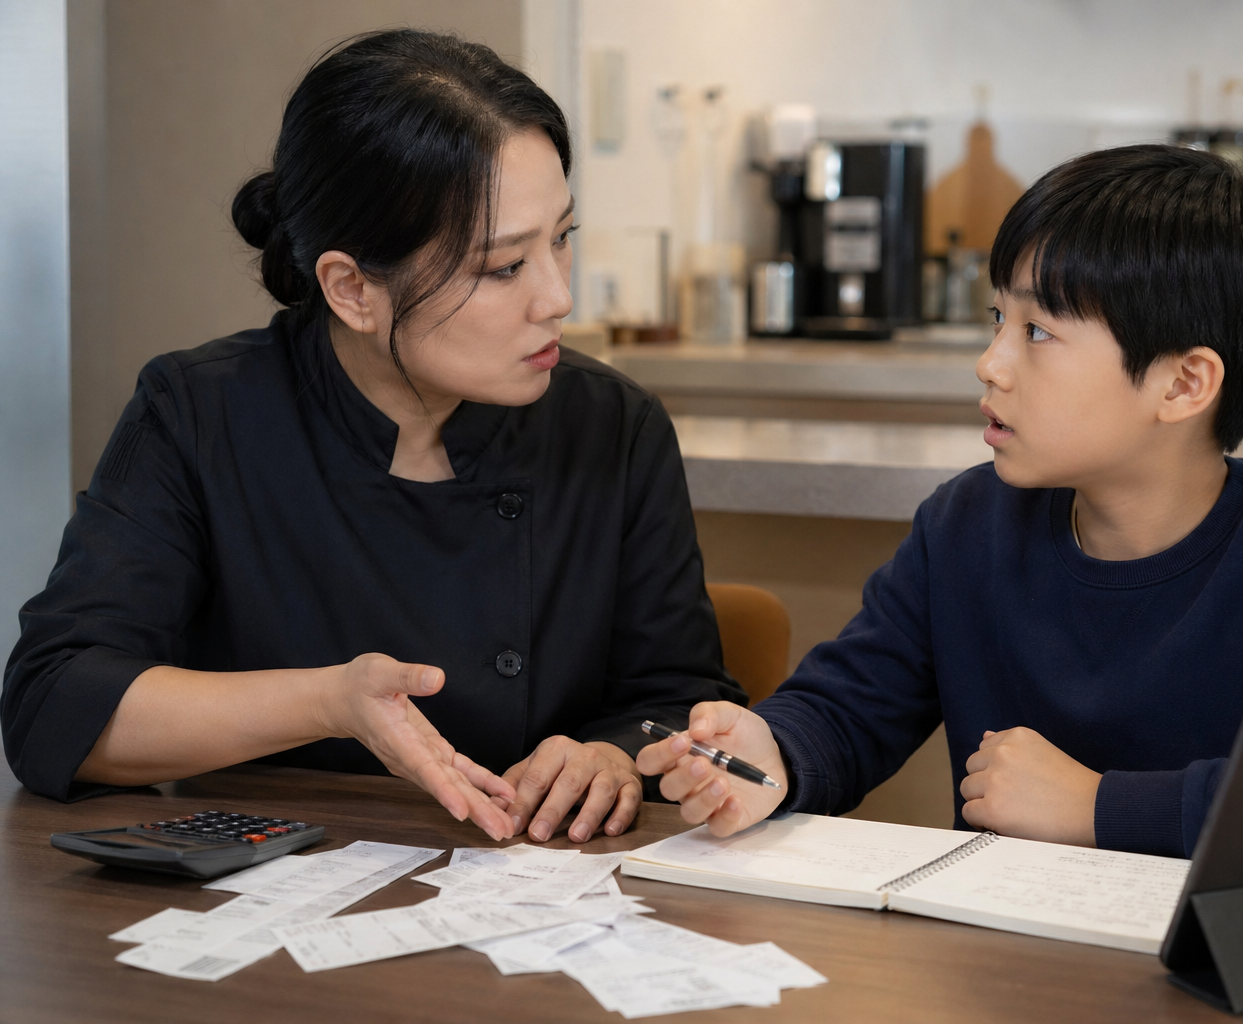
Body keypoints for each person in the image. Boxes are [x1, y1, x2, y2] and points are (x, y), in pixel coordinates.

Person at [638, 145, 1243, 892]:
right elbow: (848, 712)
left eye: (1039, 333)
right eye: (996, 319)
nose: (990, 363)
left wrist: (1098, 805)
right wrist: (769, 753)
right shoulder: (969, 526)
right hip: (1011, 972)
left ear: (1183, 383)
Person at [2, 30, 744, 844]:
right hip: (266, 903)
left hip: (539, 895)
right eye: (502, 268)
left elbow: (678, 703)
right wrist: (328, 703)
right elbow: (54, 705)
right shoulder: (200, 414)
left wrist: (610, 756)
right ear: (352, 288)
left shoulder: (613, 426)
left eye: (562, 238)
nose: (557, 296)